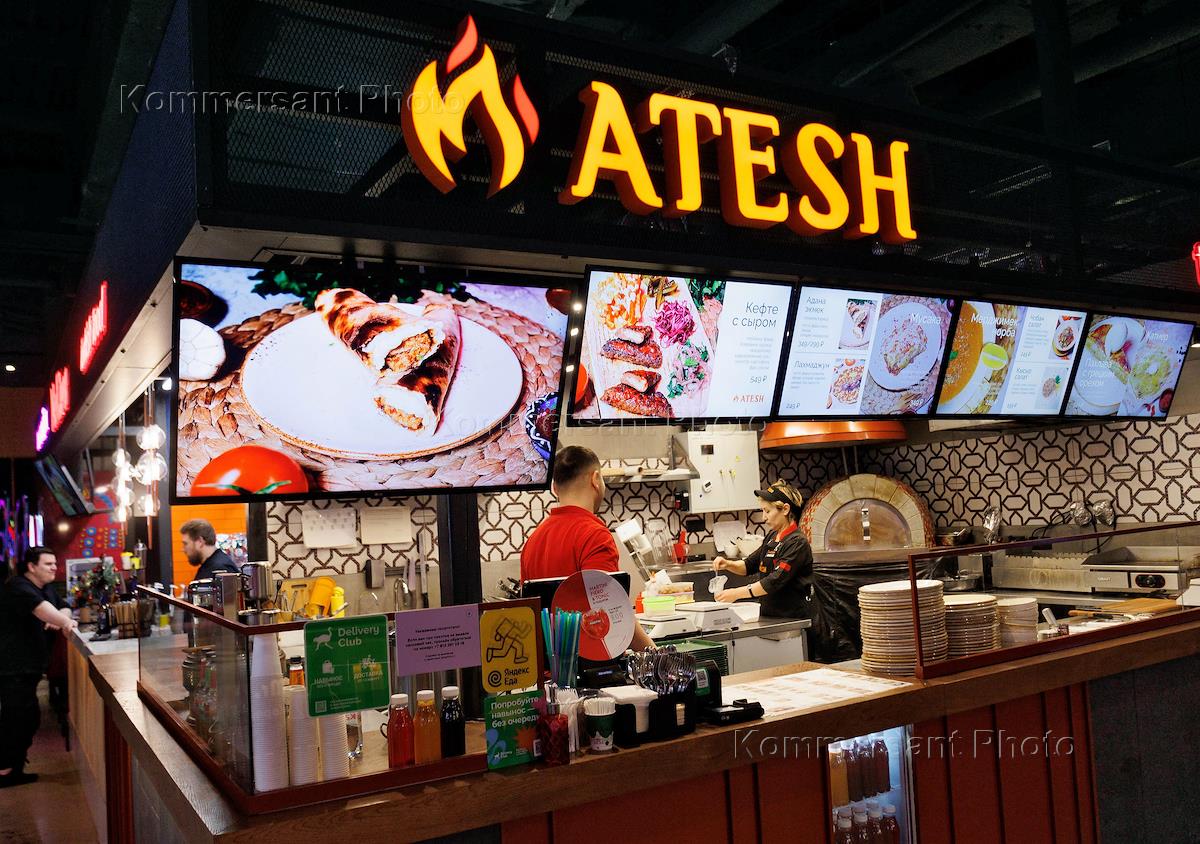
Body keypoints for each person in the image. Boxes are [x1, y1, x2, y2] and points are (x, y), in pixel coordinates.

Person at [522, 445, 653, 651]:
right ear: (596, 479)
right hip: (590, 664)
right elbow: (613, 614)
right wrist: (657, 656)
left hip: (549, 665)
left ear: (554, 488)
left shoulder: (533, 540)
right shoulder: (595, 535)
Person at [0, 547, 77, 787]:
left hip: (28, 667)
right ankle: (5, 770)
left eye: (55, 563)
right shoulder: (19, 587)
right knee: (16, 718)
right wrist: (63, 621)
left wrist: (61, 618)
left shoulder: (45, 588)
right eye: (48, 564)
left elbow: (63, 606)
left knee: (27, 717)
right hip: (12, 667)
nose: (54, 567)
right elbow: (42, 610)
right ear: (32, 567)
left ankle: (13, 768)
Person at [712, 481, 816, 622]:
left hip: (792, 620)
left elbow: (774, 581)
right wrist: (728, 564)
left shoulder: (797, 543)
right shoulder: (772, 536)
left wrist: (736, 593)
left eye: (767, 511)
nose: (763, 517)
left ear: (785, 509)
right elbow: (749, 565)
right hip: (769, 617)